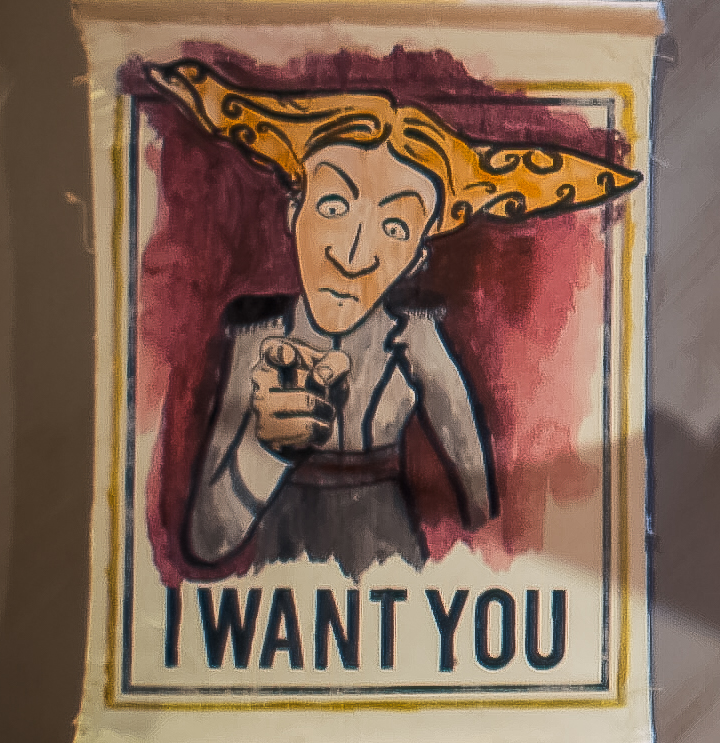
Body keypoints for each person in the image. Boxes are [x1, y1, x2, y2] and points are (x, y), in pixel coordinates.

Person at [156, 58, 639, 576]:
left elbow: (478, 490)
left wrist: (494, 555)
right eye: (334, 206)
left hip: (389, 557)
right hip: (285, 572)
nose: (353, 255)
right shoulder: (259, 334)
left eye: (394, 227)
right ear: (294, 213)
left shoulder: (415, 336)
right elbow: (207, 540)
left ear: (413, 259)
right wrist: (266, 449)